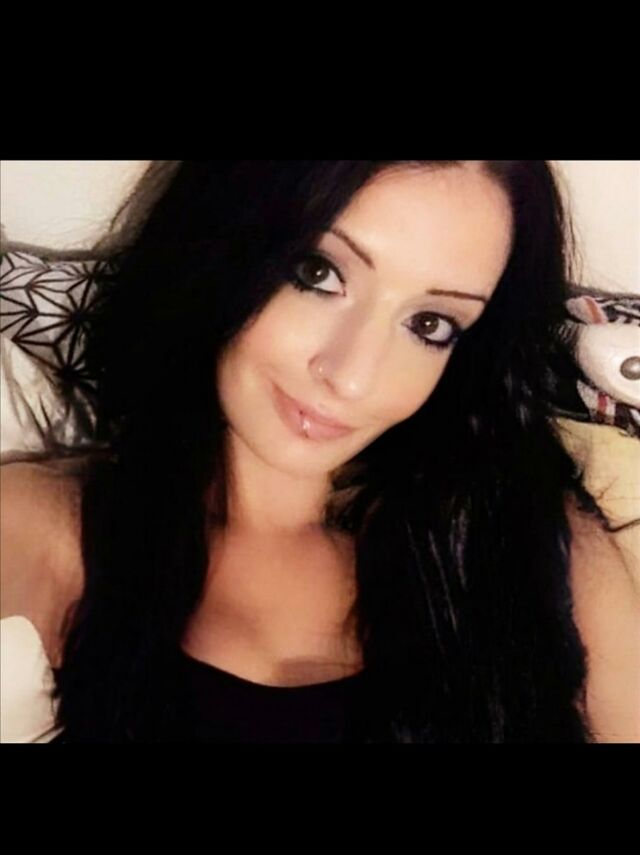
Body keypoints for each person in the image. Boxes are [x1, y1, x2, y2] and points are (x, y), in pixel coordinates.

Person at [1, 160, 637, 743]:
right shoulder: (50, 527)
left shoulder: (536, 546)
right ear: (223, 240)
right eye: (318, 273)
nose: (354, 378)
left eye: (429, 324)